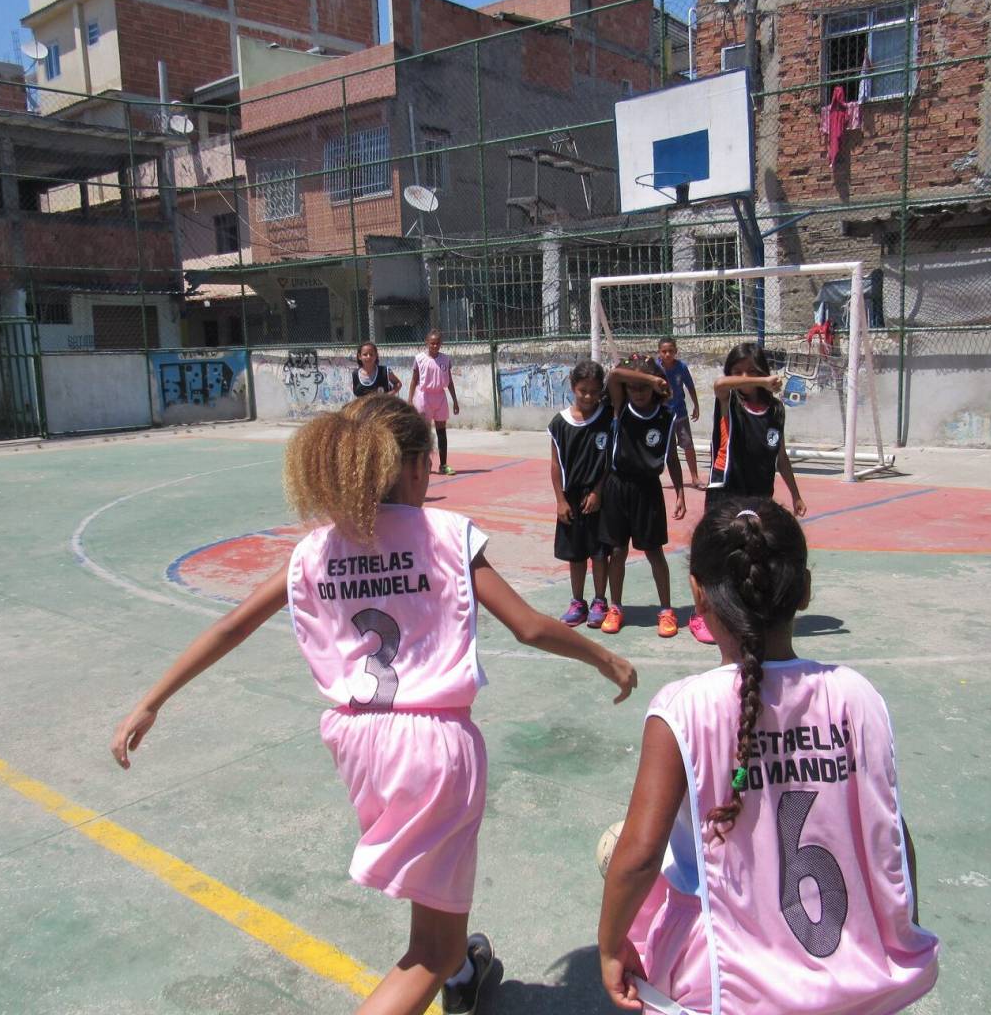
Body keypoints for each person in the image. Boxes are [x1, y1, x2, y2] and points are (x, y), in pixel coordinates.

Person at [110, 394, 637, 1015]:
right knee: (429, 955)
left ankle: (463, 965)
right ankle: (450, 961)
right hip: (433, 744)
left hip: (360, 742)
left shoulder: (314, 550)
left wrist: (152, 700)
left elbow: (231, 627)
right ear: (414, 465)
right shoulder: (446, 533)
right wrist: (604, 657)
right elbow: (528, 626)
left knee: (435, 915)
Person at [597, 498, 939, 1015]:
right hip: (854, 982)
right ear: (804, 590)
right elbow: (892, 840)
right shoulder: (857, 696)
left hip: (726, 989)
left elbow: (640, 854)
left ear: (697, 593)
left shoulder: (684, 708)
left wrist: (609, 944)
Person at [689, 343, 807, 644]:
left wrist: (795, 494)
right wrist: (757, 381)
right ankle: (702, 611)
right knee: (716, 551)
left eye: (752, 371)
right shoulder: (729, 401)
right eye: (738, 372)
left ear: (765, 373)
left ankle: (746, 607)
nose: (745, 377)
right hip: (726, 486)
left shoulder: (776, 410)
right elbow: (719, 384)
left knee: (756, 551)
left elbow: (780, 456)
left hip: (758, 492)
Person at [598, 355, 686, 638]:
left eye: (644, 387)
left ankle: (666, 610)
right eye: (633, 386)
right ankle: (615, 607)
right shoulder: (620, 407)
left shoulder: (665, 416)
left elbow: (671, 456)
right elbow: (612, 376)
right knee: (618, 551)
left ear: (655, 390)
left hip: (648, 489)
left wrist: (681, 492)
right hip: (618, 486)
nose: (638, 392)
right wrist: (648, 378)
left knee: (654, 552)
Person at [548, 360, 613, 630]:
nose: (588, 396)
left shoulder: (608, 417)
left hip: (598, 496)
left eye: (594, 391)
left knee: (599, 553)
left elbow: (609, 461)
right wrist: (560, 500)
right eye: (583, 390)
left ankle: (600, 601)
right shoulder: (559, 424)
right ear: (573, 388)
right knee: (575, 555)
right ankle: (578, 602)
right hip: (570, 497)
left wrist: (598, 491)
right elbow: (554, 464)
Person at [408, 330, 460, 475]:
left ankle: (443, 465)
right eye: (432, 343)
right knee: (424, 432)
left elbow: (449, 382)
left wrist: (455, 401)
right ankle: (424, 462)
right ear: (427, 343)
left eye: (437, 343)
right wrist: (410, 400)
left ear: (441, 344)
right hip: (424, 396)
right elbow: (414, 380)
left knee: (441, 431)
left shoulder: (445, 359)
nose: (435, 346)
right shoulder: (419, 359)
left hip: (440, 396)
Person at [657, 336, 702, 489]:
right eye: (664, 351)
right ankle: (658, 477)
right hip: (663, 415)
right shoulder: (655, 368)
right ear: (659, 353)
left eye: (670, 351)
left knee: (688, 444)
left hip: (680, 413)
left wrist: (696, 405)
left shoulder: (681, 367)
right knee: (665, 448)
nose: (668, 354)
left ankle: (695, 478)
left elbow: (689, 386)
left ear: (676, 351)